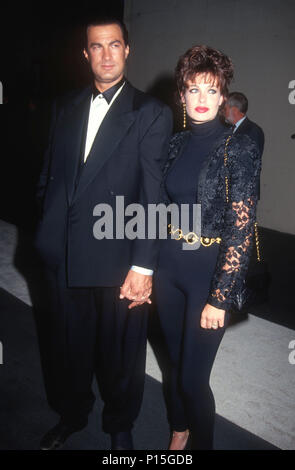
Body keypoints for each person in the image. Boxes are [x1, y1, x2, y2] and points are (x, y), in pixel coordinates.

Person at [34, 17, 172, 450]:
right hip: (64, 256)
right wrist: (46, 229)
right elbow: (49, 177)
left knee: (121, 356)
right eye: (97, 46)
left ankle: (120, 427)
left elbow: (155, 195)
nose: (107, 54)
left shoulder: (151, 112)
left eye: (115, 44)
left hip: (119, 260)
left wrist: (144, 265)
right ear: (86, 54)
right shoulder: (65, 106)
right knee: (69, 348)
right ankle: (72, 414)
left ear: (127, 50)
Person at [154, 45, 261, 450]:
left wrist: (220, 296)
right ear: (181, 94)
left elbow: (242, 227)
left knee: (193, 379)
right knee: (174, 364)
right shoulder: (176, 144)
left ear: (223, 96)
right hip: (167, 269)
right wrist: (145, 269)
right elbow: (159, 209)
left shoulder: (240, 147)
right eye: (193, 89)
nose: (201, 99)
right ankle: (178, 426)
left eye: (211, 90)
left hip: (207, 277)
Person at [224, 91, 265, 156]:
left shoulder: (253, 131)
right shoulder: (228, 130)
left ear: (234, 110)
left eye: (225, 109)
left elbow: (250, 159)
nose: (223, 112)